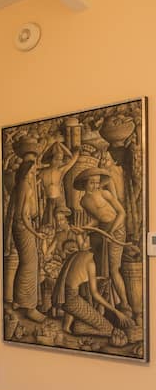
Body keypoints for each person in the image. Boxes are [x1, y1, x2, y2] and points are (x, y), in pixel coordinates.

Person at [52, 237, 134, 346]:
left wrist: (96, 279)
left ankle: (70, 326)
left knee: (90, 316)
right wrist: (116, 312)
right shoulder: (90, 263)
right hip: (72, 301)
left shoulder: (78, 254)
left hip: (65, 297)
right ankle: (76, 327)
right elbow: (95, 294)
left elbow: (78, 277)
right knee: (108, 329)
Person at [73, 168, 132, 315]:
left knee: (113, 269)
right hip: (103, 232)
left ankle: (125, 305)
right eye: (92, 182)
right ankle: (107, 304)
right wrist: (84, 229)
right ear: (85, 183)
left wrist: (111, 231)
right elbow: (96, 219)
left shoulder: (105, 193)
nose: (95, 185)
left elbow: (121, 213)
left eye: (97, 182)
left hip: (116, 230)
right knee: (102, 268)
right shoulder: (83, 201)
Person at [5, 155, 46, 322]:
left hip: (18, 228)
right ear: (26, 172)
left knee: (25, 263)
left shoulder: (20, 185)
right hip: (24, 228)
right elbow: (23, 215)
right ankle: (29, 307)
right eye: (32, 172)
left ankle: (18, 300)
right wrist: (36, 233)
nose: (33, 174)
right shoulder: (26, 187)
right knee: (30, 265)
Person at [39, 143, 80, 226]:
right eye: (56, 159)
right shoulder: (42, 172)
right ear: (50, 159)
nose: (59, 162)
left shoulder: (60, 171)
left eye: (60, 159)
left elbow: (71, 162)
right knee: (48, 222)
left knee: (60, 220)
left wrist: (76, 153)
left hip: (59, 200)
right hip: (47, 201)